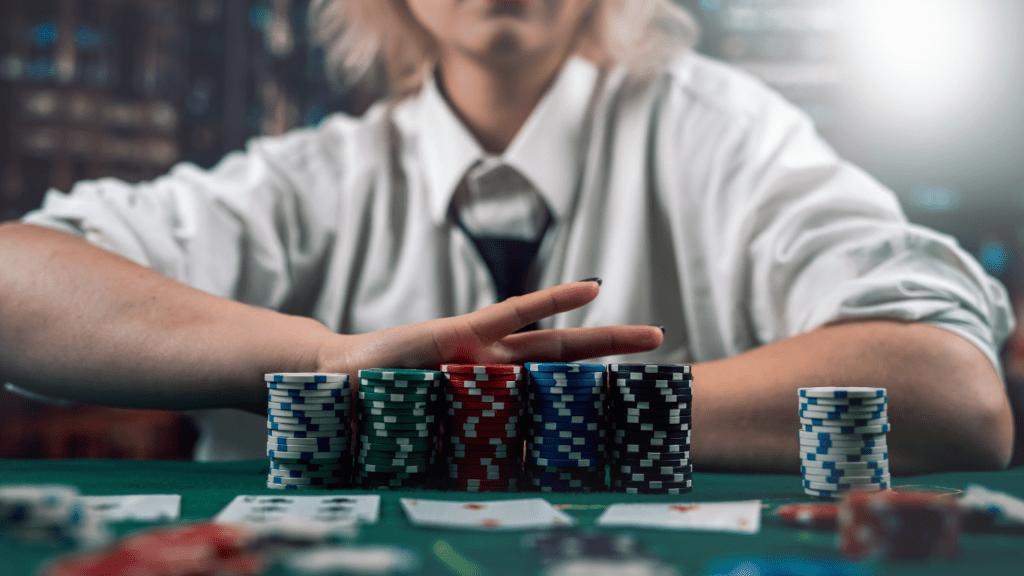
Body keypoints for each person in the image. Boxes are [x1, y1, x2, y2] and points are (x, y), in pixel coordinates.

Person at [0, 0, 1014, 471]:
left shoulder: (725, 133)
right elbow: (15, 281)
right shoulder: (311, 174)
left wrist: (538, 416)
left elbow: (952, 395)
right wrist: (319, 361)